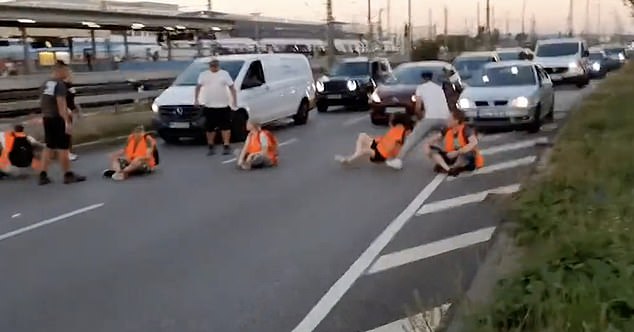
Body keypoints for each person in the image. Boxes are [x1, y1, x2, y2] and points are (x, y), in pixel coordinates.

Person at [385, 71, 451, 170]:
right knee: (441, 138)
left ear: (422, 79)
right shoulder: (439, 88)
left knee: (413, 138)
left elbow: (418, 107)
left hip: (430, 117)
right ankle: (445, 159)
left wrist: (419, 118)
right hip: (446, 117)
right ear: (432, 78)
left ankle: (398, 160)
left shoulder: (421, 88)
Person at [38, 61, 86, 185]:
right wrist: (67, 122)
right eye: (65, 70)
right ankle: (68, 174)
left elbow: (43, 102)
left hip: (47, 117)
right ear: (60, 70)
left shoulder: (45, 83)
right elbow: (62, 106)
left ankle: (43, 174)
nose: (67, 73)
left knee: (48, 146)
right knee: (63, 148)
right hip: (58, 119)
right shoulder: (60, 85)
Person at [194, 58, 238, 156]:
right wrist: (196, 99)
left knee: (225, 126)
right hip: (209, 105)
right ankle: (210, 145)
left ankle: (226, 145)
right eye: (212, 66)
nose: (214, 68)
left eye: (215, 66)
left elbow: (232, 88)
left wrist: (234, 101)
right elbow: (198, 87)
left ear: (218, 66)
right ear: (209, 66)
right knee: (210, 127)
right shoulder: (204, 75)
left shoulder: (224, 74)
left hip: (223, 105)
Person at [335, 112, 413, 166]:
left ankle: (349, 159)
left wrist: (389, 157)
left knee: (364, 150)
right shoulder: (396, 129)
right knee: (362, 136)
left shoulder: (399, 130)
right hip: (379, 146)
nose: (389, 121)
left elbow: (393, 145)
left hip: (381, 153)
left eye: (391, 119)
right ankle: (353, 156)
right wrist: (374, 140)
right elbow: (386, 139)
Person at [422, 109, 484, 176]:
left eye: (450, 119)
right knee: (432, 150)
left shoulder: (466, 129)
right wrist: (428, 145)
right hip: (451, 155)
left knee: (467, 153)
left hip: (462, 154)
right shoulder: (447, 129)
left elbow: (474, 142)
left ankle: (454, 167)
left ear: (456, 121)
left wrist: (457, 152)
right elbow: (434, 139)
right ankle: (449, 170)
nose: (447, 120)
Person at [61, 62, 80, 161]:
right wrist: (66, 109)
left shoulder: (70, 85)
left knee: (68, 132)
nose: (71, 75)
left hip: (70, 110)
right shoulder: (61, 85)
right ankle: (66, 152)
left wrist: (77, 109)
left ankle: (68, 151)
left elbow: (72, 99)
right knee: (65, 132)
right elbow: (61, 99)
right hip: (64, 111)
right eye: (69, 73)